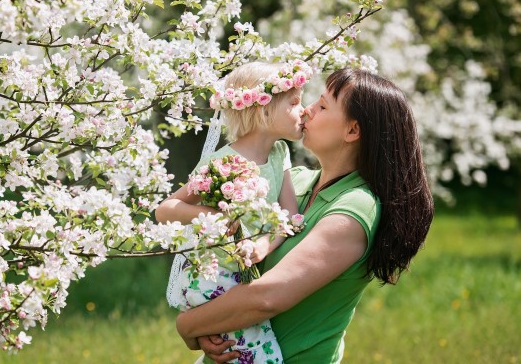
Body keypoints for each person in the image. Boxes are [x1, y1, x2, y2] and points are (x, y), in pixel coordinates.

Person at [175, 68, 435, 363]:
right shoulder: (293, 180)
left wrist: (189, 325)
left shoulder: (355, 208)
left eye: (322, 106)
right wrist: (215, 322)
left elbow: (267, 297)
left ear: (352, 131)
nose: (307, 110)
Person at [156, 61, 311, 363]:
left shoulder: (280, 154)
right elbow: (165, 210)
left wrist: (262, 245)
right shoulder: (222, 162)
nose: (303, 110)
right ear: (264, 109)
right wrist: (214, 216)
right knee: (263, 357)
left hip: (242, 279)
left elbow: (289, 217)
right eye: (294, 103)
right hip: (212, 279)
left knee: (242, 354)